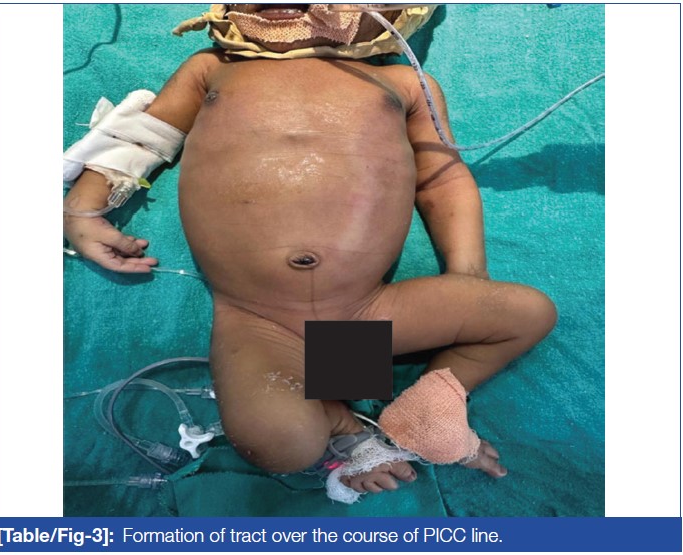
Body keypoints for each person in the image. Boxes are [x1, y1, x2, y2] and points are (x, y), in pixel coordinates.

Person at [63, 4, 556, 498]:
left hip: (366, 310)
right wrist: (83, 210)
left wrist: (467, 273)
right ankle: (344, 425)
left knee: (528, 313)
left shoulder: (404, 83)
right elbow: (144, 137)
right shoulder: (214, 68)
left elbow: (441, 180)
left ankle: (433, 403)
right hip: (257, 321)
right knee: (281, 443)